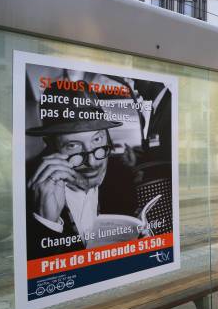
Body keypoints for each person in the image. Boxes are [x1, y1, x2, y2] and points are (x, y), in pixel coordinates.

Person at [26, 81, 140, 259]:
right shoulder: (26, 189)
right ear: (50, 146)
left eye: (97, 140)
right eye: (73, 146)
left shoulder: (121, 175)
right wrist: (46, 224)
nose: (93, 162)